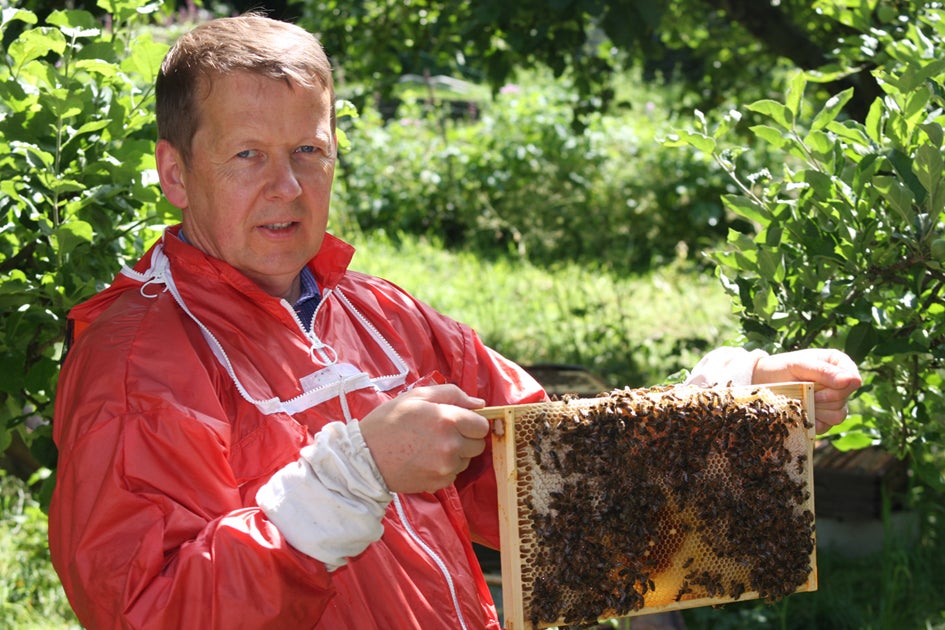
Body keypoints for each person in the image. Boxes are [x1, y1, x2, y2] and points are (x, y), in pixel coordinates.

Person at [47, 13, 862, 630]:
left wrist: (733, 414)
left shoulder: (382, 315)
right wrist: (348, 479)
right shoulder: (138, 362)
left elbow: (562, 491)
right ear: (175, 174)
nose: (289, 188)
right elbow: (146, 613)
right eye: (248, 155)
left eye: (310, 151)